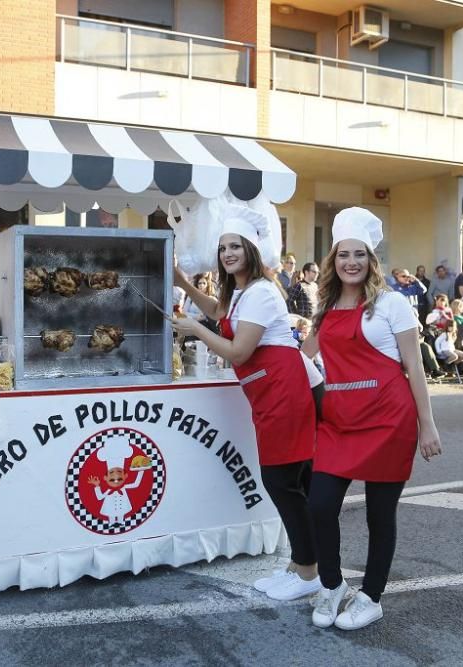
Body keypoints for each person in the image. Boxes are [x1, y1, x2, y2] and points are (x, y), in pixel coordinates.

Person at [170, 206, 325, 604]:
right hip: (270, 393)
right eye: (223, 248)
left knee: (283, 484)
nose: (227, 254)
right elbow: (220, 312)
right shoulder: (240, 293)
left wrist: (194, 330)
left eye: (235, 246)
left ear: (252, 250)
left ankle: (307, 571)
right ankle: (301, 564)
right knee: (289, 484)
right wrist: (183, 285)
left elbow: (239, 351)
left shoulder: (260, 291)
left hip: (287, 394)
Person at [300, 207, 441, 631]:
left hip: (388, 421)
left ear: (370, 260)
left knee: (380, 516)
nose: (351, 262)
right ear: (333, 261)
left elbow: (414, 368)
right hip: (339, 422)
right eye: (344, 255)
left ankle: (372, 596)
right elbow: (301, 359)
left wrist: (427, 425)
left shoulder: (393, 304)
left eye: (359, 254)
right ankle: (332, 583)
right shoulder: (324, 310)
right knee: (320, 504)